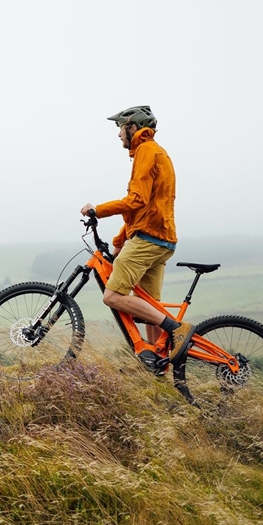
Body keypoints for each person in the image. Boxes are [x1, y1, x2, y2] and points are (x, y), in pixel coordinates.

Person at [80, 106, 193, 371]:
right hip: (160, 239)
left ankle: (175, 329)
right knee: (148, 308)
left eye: (120, 127)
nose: (118, 134)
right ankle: (159, 369)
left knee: (112, 296)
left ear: (132, 127)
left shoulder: (146, 151)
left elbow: (135, 200)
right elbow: (141, 210)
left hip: (149, 239)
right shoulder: (154, 152)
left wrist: (99, 209)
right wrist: (119, 241)